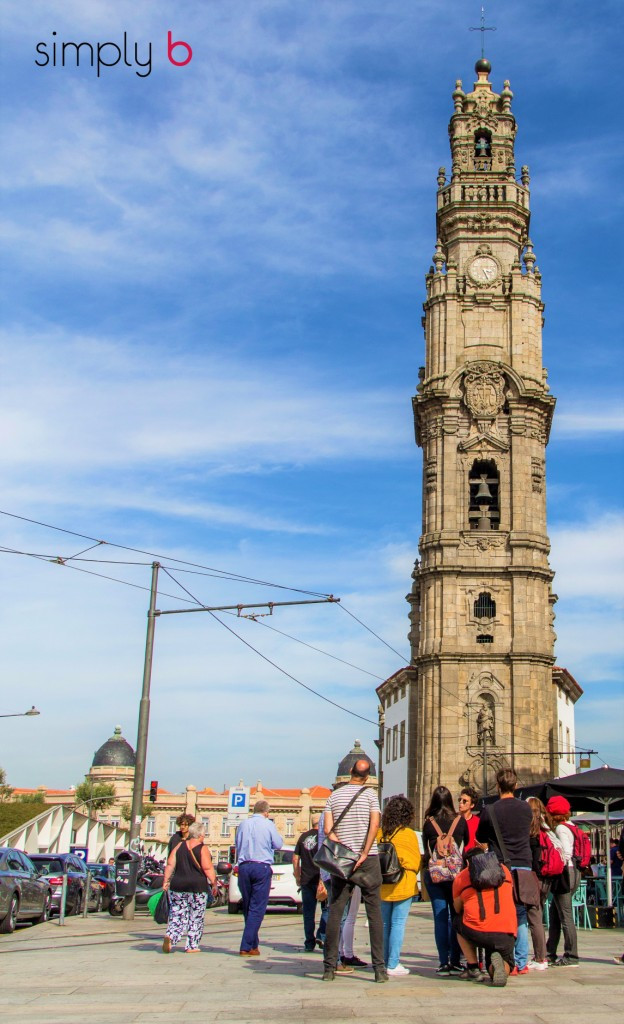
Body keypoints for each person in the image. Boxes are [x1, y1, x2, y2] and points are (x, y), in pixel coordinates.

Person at [321, 758, 387, 983]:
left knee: (336, 912)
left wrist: (345, 851)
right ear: (368, 776)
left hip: (343, 860)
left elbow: (328, 830)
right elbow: (375, 824)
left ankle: (329, 968)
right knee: (374, 913)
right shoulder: (370, 795)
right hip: (367, 859)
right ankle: (379, 970)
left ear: (350, 772)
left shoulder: (334, 796)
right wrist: (363, 852)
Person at [476, 768, 533, 975]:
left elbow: (481, 836)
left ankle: (503, 958)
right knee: (521, 914)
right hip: (524, 865)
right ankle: (521, 962)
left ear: (498, 786)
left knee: (497, 911)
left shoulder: (490, 810)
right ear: (516, 786)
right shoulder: (526, 809)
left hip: (500, 867)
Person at [452, 847, 517, 986]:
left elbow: (457, 908)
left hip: (477, 930)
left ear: (468, 863)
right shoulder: (504, 870)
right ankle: (498, 968)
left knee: (457, 921)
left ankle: (473, 967)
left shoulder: (462, 876)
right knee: (505, 963)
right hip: (506, 930)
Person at [422, 785, 469, 975]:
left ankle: (443, 962)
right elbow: (465, 848)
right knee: (456, 917)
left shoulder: (428, 823)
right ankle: (456, 961)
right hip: (456, 876)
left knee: (440, 918)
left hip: (435, 876)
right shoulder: (460, 821)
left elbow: (426, 849)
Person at [377, 795, 421, 976]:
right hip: (403, 883)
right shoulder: (408, 834)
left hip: (382, 884)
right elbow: (415, 862)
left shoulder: (380, 833)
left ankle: (385, 961)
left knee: (385, 924)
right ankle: (393, 964)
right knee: (398, 923)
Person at [235, 799, 284, 956]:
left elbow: (237, 843)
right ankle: (245, 945)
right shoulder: (268, 824)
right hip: (261, 866)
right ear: (266, 812)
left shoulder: (243, 824)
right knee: (257, 908)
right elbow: (278, 844)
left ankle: (253, 945)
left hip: (243, 867)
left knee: (248, 906)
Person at [162, 821, 217, 953]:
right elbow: (207, 867)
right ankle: (192, 945)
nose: (204, 837)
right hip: (197, 887)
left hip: (178, 885)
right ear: (199, 835)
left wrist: (165, 881)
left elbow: (170, 864)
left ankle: (171, 936)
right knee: (196, 916)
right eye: (203, 835)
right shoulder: (202, 848)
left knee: (177, 914)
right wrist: (214, 883)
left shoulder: (179, 846)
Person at [526, 796, 563, 971]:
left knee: (535, 918)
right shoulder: (547, 830)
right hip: (547, 879)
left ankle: (541, 958)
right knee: (538, 916)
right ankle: (541, 955)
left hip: (535, 878)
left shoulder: (531, 832)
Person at [545, 795, 580, 967]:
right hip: (574, 872)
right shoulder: (572, 826)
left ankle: (572, 955)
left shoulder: (560, 829)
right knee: (555, 914)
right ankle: (549, 952)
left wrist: (557, 863)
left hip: (565, 872)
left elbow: (566, 852)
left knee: (565, 916)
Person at [293, 814, 321, 952]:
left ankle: (309, 943)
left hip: (306, 879)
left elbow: (295, 859)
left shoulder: (303, 837)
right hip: (321, 879)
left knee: (308, 913)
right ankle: (322, 934)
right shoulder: (324, 837)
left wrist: (297, 876)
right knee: (327, 909)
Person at [458, 787, 480, 851]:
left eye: (464, 801)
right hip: (456, 859)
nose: (461, 802)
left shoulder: (478, 822)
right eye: (460, 800)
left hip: (471, 858)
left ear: (472, 805)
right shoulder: (453, 819)